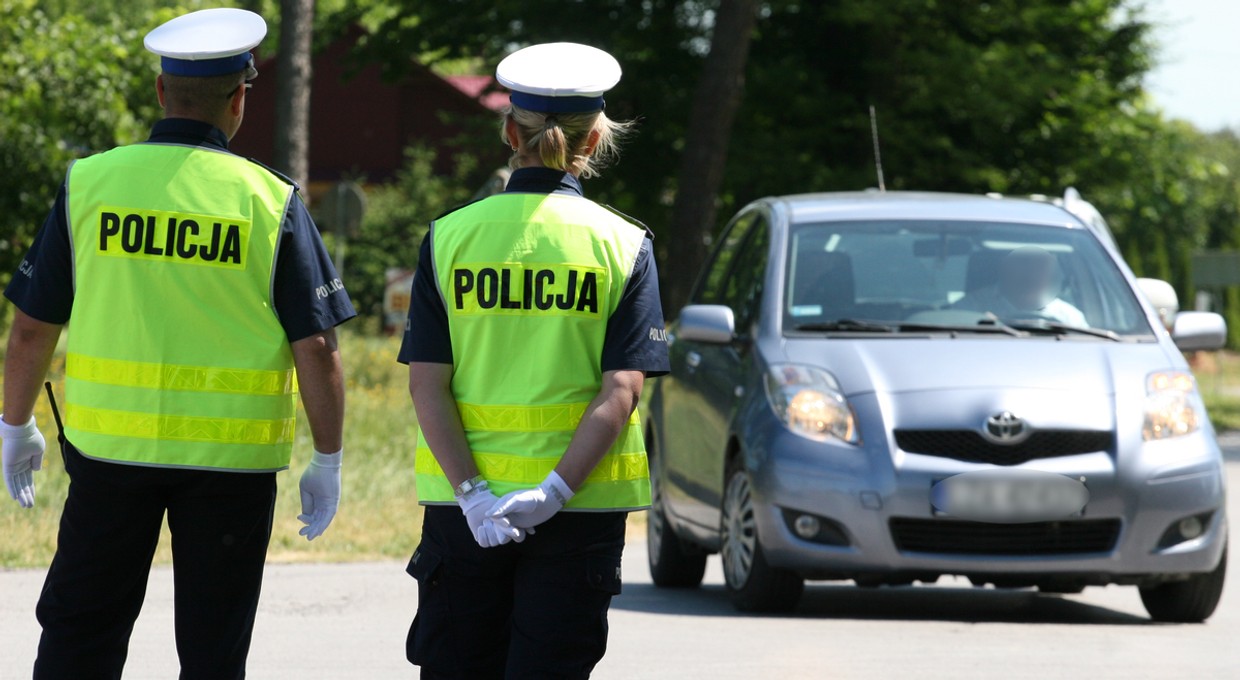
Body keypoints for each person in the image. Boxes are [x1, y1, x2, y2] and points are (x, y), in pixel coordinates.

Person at [0, 8, 356, 679]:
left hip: (111, 455)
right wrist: (328, 458)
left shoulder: (89, 184)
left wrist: (13, 423)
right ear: (239, 99)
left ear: (162, 92)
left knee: (81, 633)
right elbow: (316, 347)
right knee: (213, 646)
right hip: (230, 467)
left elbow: (29, 328)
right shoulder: (269, 199)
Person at [399, 42, 670, 679]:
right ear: (597, 136)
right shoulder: (624, 243)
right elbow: (622, 390)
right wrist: (554, 492)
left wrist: (471, 496)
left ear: (509, 132)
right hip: (579, 511)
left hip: (467, 514)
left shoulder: (450, 236)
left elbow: (427, 386)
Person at [954, 245, 1087, 326]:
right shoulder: (968, 310)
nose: (1032, 272)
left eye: (1042, 264)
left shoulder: (1070, 319)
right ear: (1003, 266)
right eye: (1024, 261)